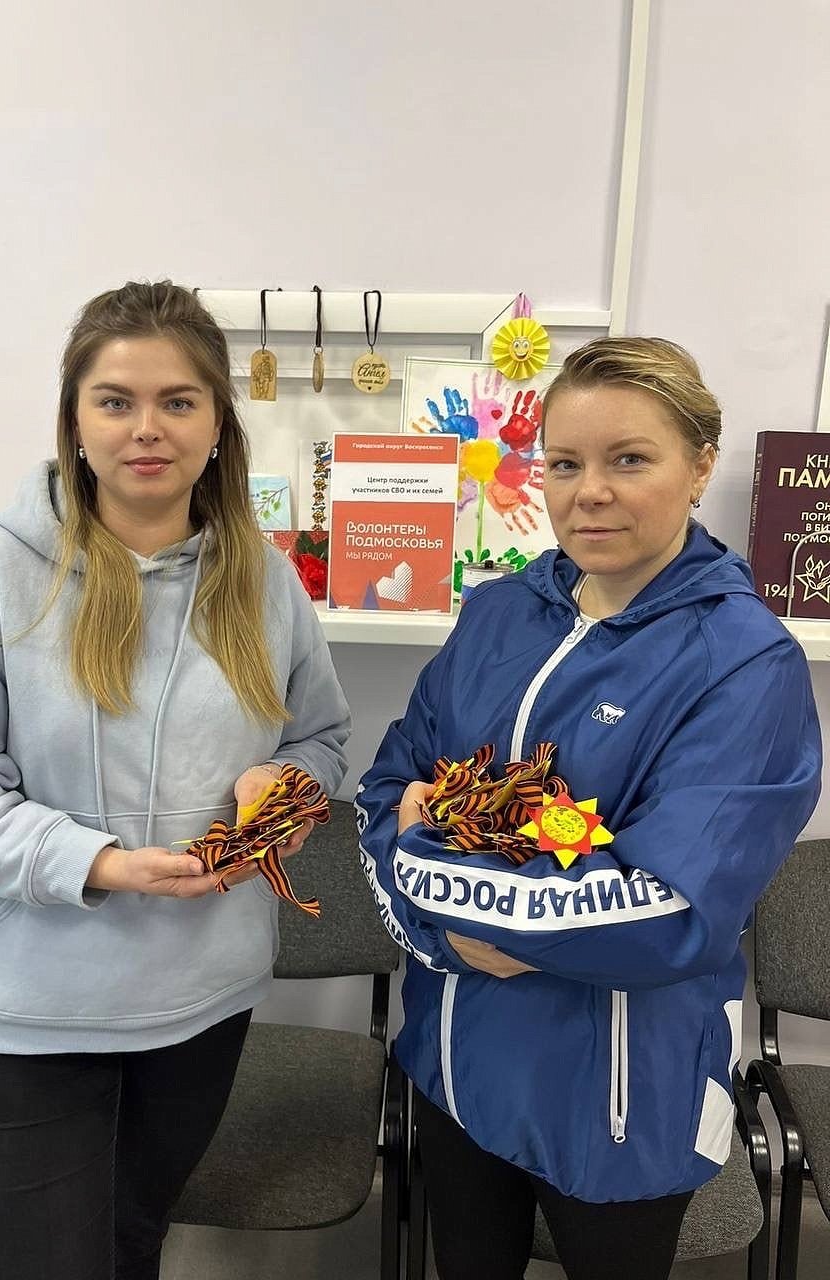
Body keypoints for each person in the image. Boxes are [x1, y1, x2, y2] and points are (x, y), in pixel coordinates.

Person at [0, 280, 350, 1280]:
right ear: (75, 421)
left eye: (178, 400)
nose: (148, 428)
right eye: (116, 400)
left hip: (201, 996)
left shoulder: (265, 580)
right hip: (29, 1004)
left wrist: (285, 789)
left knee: (131, 1245)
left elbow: (320, 739)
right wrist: (95, 862)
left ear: (219, 425)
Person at [356, 337, 822, 1280]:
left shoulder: (745, 664)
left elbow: (667, 906)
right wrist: (448, 938)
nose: (589, 492)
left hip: (619, 1098)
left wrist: (440, 878)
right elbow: (385, 792)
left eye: (629, 460)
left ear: (700, 468)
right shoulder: (497, 615)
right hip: (454, 1061)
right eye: (564, 463)